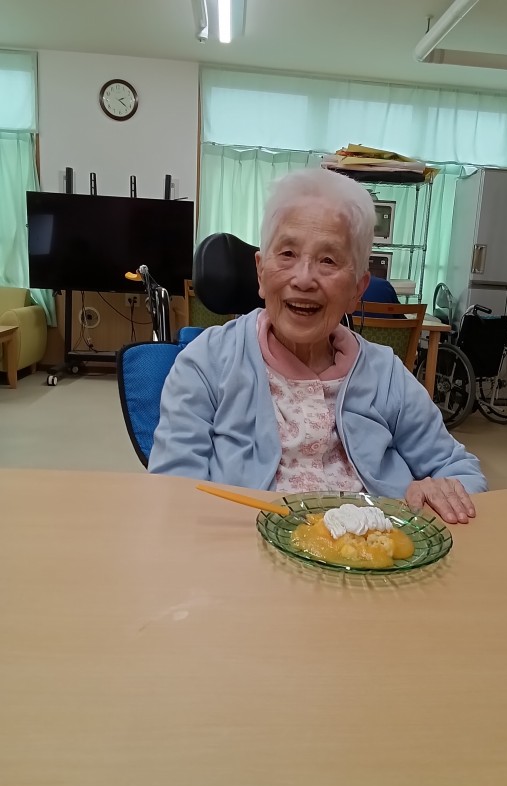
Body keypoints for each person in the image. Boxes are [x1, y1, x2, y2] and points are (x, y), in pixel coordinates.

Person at [149, 168, 487, 524]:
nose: (304, 279)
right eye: (287, 253)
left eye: (328, 260)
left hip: (372, 551)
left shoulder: (385, 373)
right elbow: (173, 491)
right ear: (261, 272)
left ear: (357, 289)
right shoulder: (207, 362)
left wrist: (440, 492)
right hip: (244, 548)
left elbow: (461, 471)